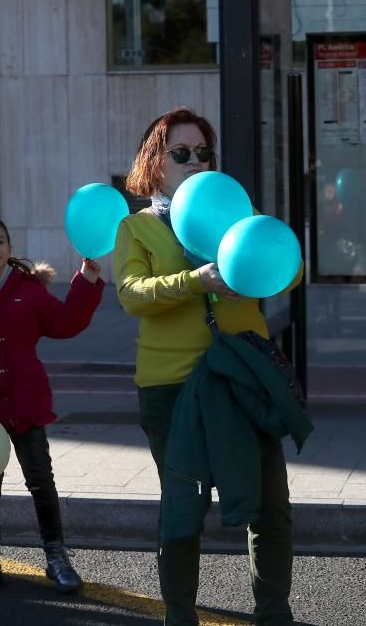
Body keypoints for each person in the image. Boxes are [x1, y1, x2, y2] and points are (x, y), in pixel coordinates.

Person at [113, 107, 305, 625]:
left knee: (270, 505)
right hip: (171, 387)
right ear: (156, 162)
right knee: (183, 507)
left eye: (204, 153)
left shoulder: (235, 217)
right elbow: (132, 296)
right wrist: (196, 281)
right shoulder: (137, 228)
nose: (195, 162)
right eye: (181, 153)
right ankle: (180, 616)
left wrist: (260, 264)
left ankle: (274, 614)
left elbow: (288, 272)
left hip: (243, 378)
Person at [0, 216, 104, 594]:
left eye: (0, 241)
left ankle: (56, 556)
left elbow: (65, 322)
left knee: (41, 481)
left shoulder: (29, 290)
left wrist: (88, 281)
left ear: (10, 249)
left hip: (27, 402)